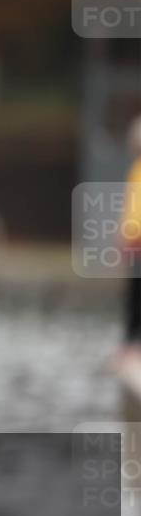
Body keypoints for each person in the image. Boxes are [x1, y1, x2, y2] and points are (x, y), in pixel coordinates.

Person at [120, 115, 141, 362]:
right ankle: (131, 341)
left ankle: (132, 341)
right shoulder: (136, 169)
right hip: (135, 240)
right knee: (134, 293)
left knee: (136, 294)